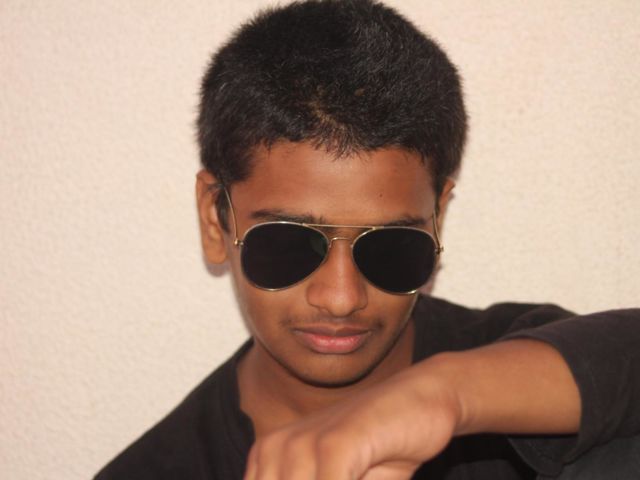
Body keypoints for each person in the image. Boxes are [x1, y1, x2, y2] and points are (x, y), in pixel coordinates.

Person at [95, 0, 640, 478]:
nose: (341, 297)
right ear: (216, 219)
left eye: (390, 247)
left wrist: (445, 395)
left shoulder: (519, 371)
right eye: (289, 244)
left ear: (437, 219)